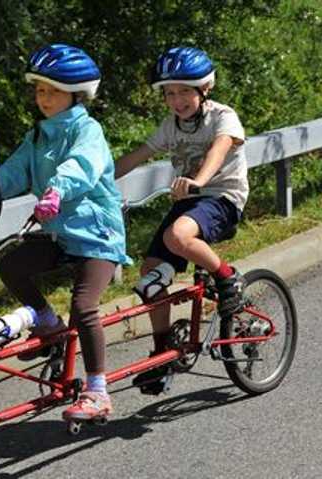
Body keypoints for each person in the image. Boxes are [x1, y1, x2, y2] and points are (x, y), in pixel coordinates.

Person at [0, 44, 131, 422]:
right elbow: (14, 171)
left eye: (52, 90)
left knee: (84, 306)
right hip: (59, 235)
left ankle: (98, 391)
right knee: (12, 266)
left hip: (95, 236)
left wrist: (56, 190)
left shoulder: (88, 129)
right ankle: (48, 324)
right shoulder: (38, 135)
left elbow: (82, 165)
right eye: (39, 90)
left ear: (76, 93)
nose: (44, 98)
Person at [114, 46, 249, 395]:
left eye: (185, 91)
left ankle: (227, 278)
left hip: (221, 199)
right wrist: (98, 181)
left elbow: (221, 148)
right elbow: (138, 156)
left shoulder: (223, 116)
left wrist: (200, 181)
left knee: (178, 234)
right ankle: (162, 354)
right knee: (150, 275)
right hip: (188, 202)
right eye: (170, 93)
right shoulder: (170, 126)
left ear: (205, 88)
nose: (177, 100)